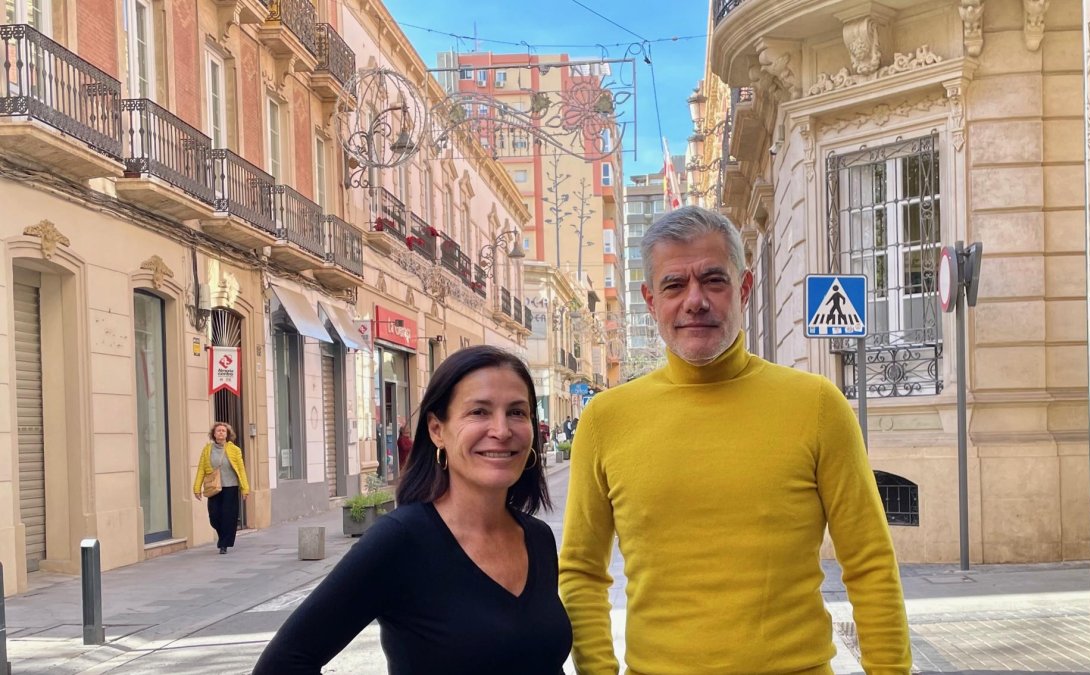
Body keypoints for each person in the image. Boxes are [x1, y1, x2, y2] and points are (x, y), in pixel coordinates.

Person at [559, 206, 911, 673]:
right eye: (674, 285)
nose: (695, 300)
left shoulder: (818, 406)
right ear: (650, 300)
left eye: (713, 280)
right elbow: (581, 572)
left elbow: (869, 562)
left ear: (743, 288)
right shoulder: (605, 419)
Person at [254, 346, 571, 674]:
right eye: (479, 412)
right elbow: (282, 665)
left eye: (517, 412)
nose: (502, 430)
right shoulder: (402, 540)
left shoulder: (537, 538)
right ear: (437, 430)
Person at [192, 422, 249, 555]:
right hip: (213, 487)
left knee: (228, 516)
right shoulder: (207, 450)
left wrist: (245, 489)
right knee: (214, 516)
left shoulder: (235, 450)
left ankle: (224, 544)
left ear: (227, 434)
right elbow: (201, 469)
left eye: (224, 431)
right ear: (214, 434)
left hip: (231, 487)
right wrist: (196, 488)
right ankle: (222, 536)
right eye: (218, 431)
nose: (221, 433)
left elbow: (241, 470)